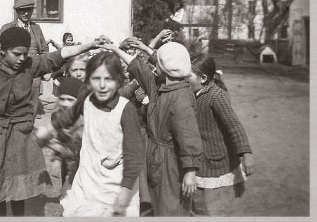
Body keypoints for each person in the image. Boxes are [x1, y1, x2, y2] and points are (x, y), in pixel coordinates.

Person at [0, 27, 105, 217]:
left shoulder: (29, 65)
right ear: (3, 51)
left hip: (21, 133)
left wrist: (89, 45)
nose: (22, 59)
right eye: (17, 54)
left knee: (20, 185)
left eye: (25, 54)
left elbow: (57, 56)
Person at [105, 41, 203, 216]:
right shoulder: (159, 85)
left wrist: (190, 172)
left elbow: (189, 138)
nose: (153, 64)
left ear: (163, 67)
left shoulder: (181, 98)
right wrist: (115, 48)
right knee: (154, 203)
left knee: (170, 206)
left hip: (170, 162)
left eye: (156, 61)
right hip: (154, 154)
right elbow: (139, 68)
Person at [45, 51, 143, 217]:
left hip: (116, 185)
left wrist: (126, 192)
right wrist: (50, 128)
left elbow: (134, 155)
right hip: (88, 178)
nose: (102, 85)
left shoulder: (126, 110)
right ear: (88, 80)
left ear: (119, 80)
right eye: (96, 79)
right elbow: (69, 115)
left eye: (109, 79)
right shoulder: (87, 100)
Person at [188, 54, 255, 216]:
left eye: (187, 75)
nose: (183, 79)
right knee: (198, 204)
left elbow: (234, 126)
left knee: (214, 207)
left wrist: (246, 153)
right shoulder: (192, 93)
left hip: (216, 162)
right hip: (199, 159)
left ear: (203, 78)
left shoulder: (216, 96)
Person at [0, 0, 49, 120]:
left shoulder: (36, 28)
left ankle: (29, 123)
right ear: (17, 12)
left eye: (29, 10)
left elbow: (44, 48)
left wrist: (44, 67)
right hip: (13, 71)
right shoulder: (7, 28)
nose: (26, 13)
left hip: (33, 71)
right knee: (13, 102)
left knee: (33, 100)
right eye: (23, 11)